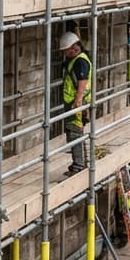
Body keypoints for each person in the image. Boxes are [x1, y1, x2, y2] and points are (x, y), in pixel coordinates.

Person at [59, 31, 92, 176]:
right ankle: (79, 163)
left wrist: (78, 100)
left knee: (75, 132)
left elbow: (82, 81)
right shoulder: (75, 60)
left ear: (74, 48)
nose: (64, 53)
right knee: (74, 131)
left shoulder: (80, 62)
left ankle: (79, 165)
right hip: (73, 101)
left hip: (76, 103)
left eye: (65, 50)